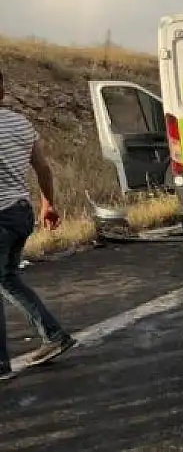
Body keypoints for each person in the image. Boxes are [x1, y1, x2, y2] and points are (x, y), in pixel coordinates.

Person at [0, 69, 76, 381]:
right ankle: (53, 335)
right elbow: (43, 168)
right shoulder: (20, 123)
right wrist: (48, 203)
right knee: (7, 278)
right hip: (20, 213)